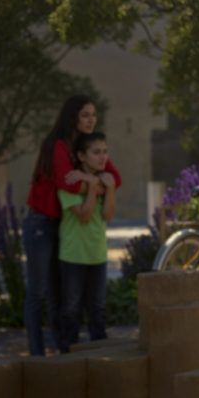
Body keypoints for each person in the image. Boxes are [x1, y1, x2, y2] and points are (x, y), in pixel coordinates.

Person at [23, 95, 122, 356]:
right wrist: (96, 182)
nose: (91, 120)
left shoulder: (87, 146)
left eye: (93, 115)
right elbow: (69, 185)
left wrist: (90, 180)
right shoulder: (58, 145)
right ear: (73, 118)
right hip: (41, 223)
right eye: (85, 115)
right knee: (38, 292)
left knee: (59, 295)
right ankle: (36, 354)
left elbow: (116, 179)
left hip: (62, 225)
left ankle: (62, 352)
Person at [58, 131, 117, 352]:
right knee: (71, 311)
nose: (103, 157)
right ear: (82, 156)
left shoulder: (105, 180)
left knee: (98, 310)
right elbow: (83, 215)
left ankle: (98, 360)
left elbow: (108, 216)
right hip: (73, 255)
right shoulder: (70, 181)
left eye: (105, 152)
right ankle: (67, 361)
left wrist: (109, 189)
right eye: (96, 152)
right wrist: (92, 186)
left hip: (98, 255)